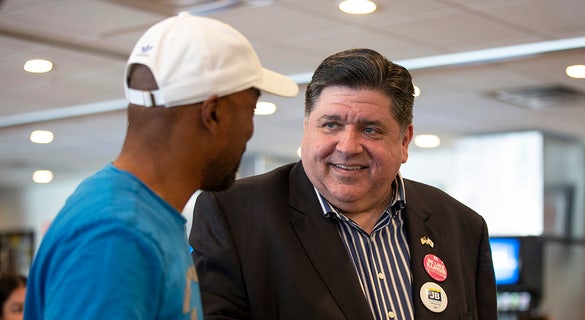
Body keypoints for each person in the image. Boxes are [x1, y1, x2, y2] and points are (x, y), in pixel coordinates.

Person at [24, 12, 298, 320]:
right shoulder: (116, 236)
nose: (250, 130)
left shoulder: (145, 218)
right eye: (251, 108)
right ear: (213, 114)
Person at [190, 48, 497, 319]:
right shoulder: (234, 213)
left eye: (371, 129)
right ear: (307, 128)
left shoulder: (462, 226)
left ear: (404, 141)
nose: (348, 146)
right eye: (331, 125)